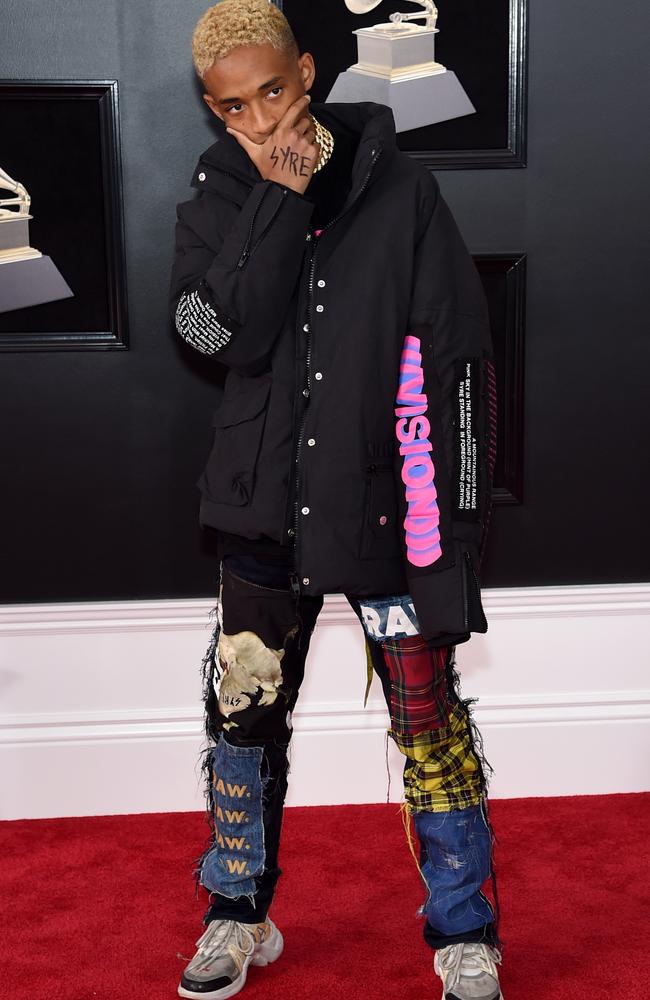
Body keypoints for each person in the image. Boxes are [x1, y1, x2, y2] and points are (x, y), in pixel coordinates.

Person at [169, 2, 503, 998]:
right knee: (243, 713)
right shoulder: (216, 197)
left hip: (384, 509)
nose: (261, 120)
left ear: (307, 71)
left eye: (273, 90)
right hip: (259, 507)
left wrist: (457, 517)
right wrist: (272, 200)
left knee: (427, 718)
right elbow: (214, 333)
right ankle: (237, 915)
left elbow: (456, 359)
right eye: (235, 107)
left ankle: (464, 928)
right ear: (213, 110)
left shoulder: (400, 190)